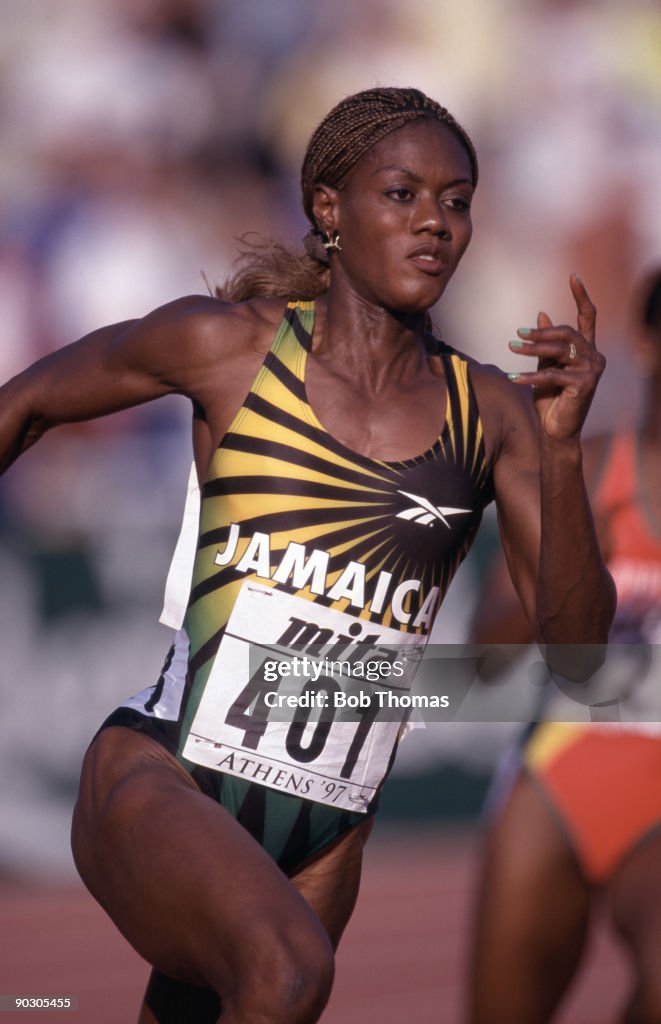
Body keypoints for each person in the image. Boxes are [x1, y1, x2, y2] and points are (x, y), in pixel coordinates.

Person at [0, 86, 614, 1024]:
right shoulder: (226, 348)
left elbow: (578, 659)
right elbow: (25, 404)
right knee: (284, 977)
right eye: (401, 194)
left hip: (325, 836)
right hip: (163, 778)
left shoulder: (493, 413)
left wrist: (562, 453)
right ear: (329, 209)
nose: (434, 222)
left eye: (456, 202)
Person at [468, 269, 661, 1024]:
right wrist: (574, 558)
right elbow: (485, 657)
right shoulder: (592, 468)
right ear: (646, 343)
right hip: (564, 773)